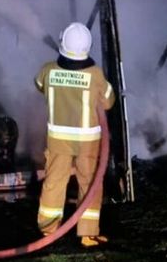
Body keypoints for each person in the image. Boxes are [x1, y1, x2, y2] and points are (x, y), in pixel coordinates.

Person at [35, 22, 116, 248]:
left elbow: (39, 85)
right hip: (87, 140)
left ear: (62, 44)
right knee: (89, 183)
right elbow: (108, 101)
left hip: (58, 138)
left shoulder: (48, 70)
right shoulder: (95, 74)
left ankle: (48, 231)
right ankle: (88, 234)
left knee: (54, 182)